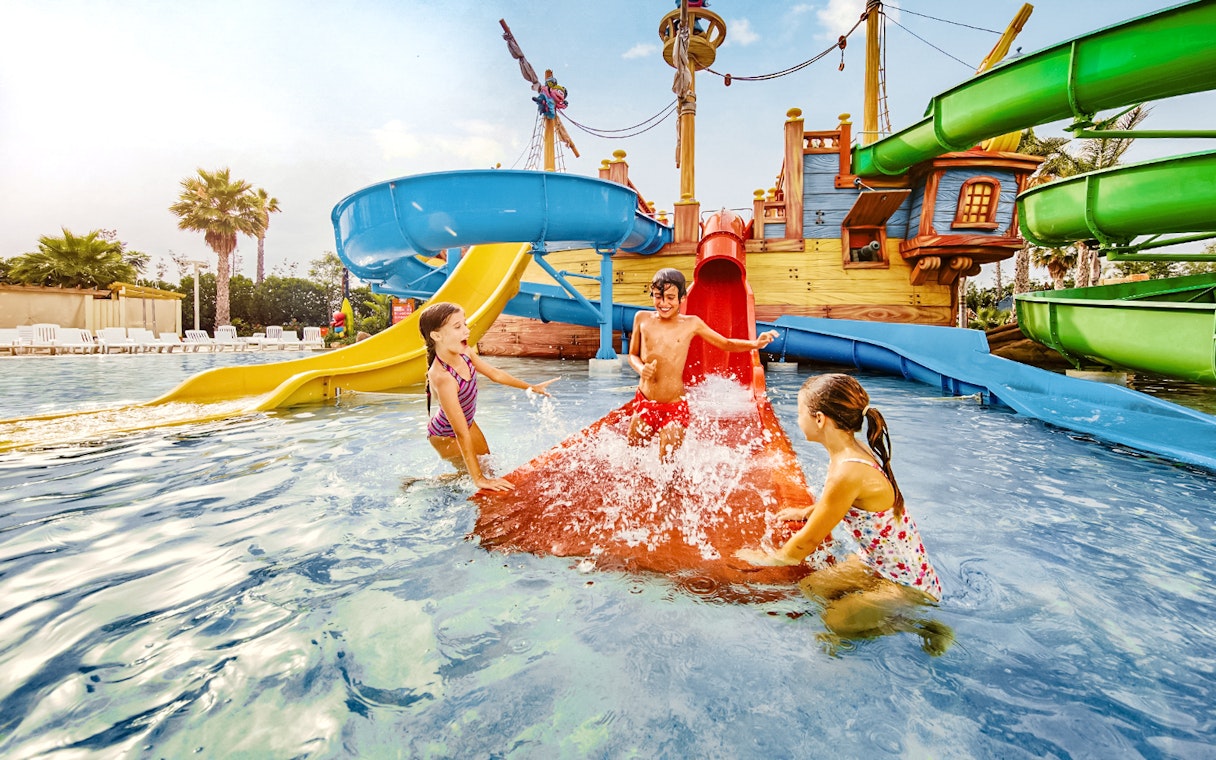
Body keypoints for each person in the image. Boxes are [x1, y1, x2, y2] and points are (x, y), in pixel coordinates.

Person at [735, 373, 951, 654]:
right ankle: (880, 611)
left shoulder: (847, 470)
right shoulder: (849, 452)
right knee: (812, 588)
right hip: (878, 564)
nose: (797, 419)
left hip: (908, 584)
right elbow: (842, 502)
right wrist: (805, 511)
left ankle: (918, 624)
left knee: (835, 620)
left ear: (820, 419)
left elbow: (803, 545)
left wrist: (768, 558)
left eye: (800, 412)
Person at [627, 268, 777, 458]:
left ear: (682, 298)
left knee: (668, 461)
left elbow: (725, 343)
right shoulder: (641, 318)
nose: (664, 303)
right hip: (645, 402)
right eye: (658, 296)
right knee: (633, 456)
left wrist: (755, 343)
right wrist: (641, 369)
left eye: (671, 297)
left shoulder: (692, 323)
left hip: (674, 407)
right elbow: (632, 355)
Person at [419, 302, 558, 492]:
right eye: (458, 327)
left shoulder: (466, 352)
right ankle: (424, 484)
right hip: (445, 434)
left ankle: (474, 477)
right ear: (437, 336)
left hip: (468, 422)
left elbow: (495, 374)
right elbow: (460, 433)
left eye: (465, 324)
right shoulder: (443, 377)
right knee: (470, 475)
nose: (466, 331)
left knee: (488, 464)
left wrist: (531, 387)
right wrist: (479, 480)